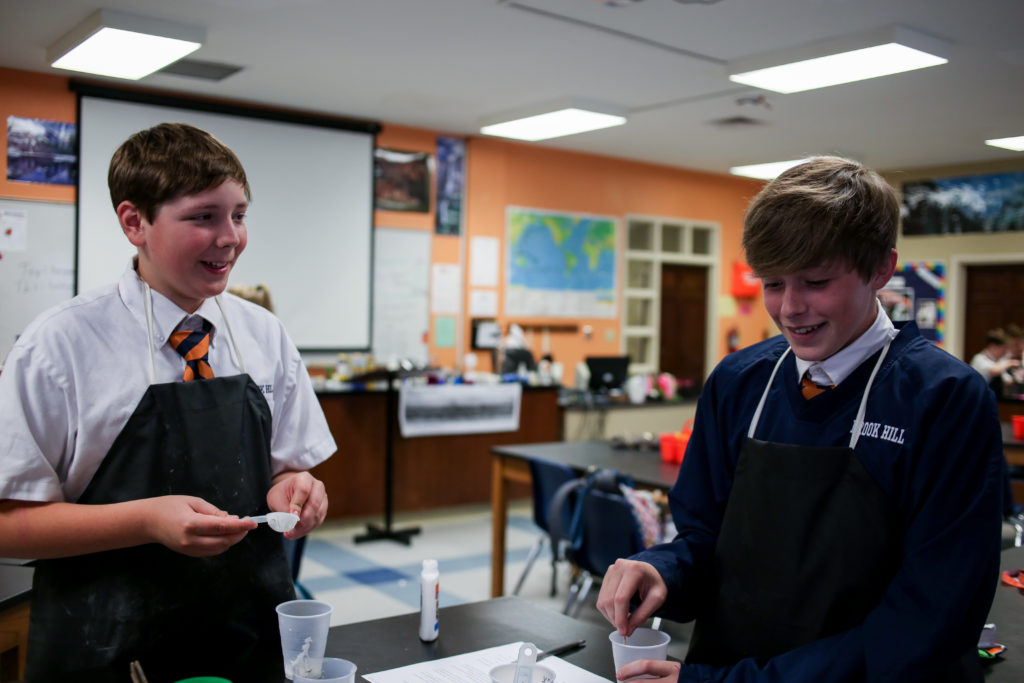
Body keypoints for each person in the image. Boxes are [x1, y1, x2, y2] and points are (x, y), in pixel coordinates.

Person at [596, 157, 1004, 682]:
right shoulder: (739, 382)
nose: (789, 308)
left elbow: (930, 618)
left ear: (881, 269)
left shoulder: (943, 399)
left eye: (815, 281)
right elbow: (706, 538)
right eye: (772, 283)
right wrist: (663, 570)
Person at [0, 123, 337, 682]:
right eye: (203, 217)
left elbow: (288, 466)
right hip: (106, 649)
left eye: (239, 215)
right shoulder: (59, 346)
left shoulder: (263, 334)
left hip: (247, 640)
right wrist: (146, 520)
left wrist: (297, 487)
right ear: (134, 222)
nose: (230, 237)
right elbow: (8, 524)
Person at [969, 328, 1020, 393]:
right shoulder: (979, 359)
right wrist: (1011, 362)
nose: (1005, 352)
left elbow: (1007, 381)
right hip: (980, 394)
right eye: (1003, 349)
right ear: (993, 347)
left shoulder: (998, 361)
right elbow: (994, 370)